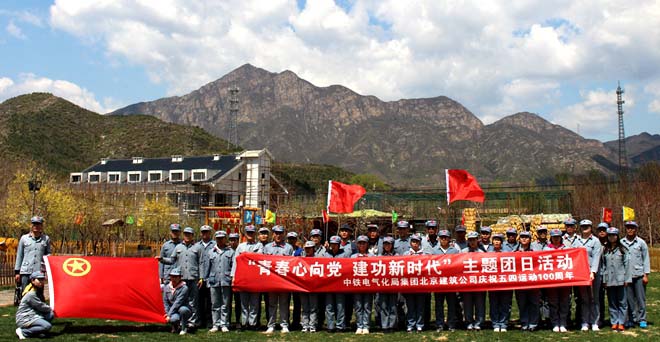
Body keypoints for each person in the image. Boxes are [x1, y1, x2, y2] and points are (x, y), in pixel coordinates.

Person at [158, 227, 204, 328]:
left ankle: (192, 322)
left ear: (192, 236)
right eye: (185, 234)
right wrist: (162, 259)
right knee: (180, 300)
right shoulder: (178, 247)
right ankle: (181, 320)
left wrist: (201, 277)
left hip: (193, 277)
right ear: (183, 235)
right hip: (181, 279)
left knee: (193, 301)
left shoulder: (197, 247)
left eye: (189, 234)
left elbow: (201, 263)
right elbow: (172, 260)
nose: (187, 236)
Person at [262, 225, 294, 334]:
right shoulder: (267, 247)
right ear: (273, 234)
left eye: (280, 233)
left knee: (284, 303)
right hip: (271, 281)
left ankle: (284, 324)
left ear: (283, 234)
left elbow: (292, 263)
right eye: (276, 233)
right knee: (272, 303)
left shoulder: (288, 247)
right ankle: (271, 325)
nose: (278, 235)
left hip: (285, 281)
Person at [232, 225, 263, 330]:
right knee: (244, 302)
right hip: (243, 278)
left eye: (252, 232)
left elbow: (259, 258)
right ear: (245, 234)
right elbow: (235, 262)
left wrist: (246, 255)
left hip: (255, 278)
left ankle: (252, 323)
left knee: (254, 302)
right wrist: (234, 277)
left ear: (255, 234)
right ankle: (244, 322)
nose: (250, 234)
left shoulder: (259, 245)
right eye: (248, 232)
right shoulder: (240, 247)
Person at [621, 221, 650, 329]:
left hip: (639, 275)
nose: (630, 230)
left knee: (640, 298)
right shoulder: (621, 242)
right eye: (628, 228)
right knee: (629, 299)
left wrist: (646, 275)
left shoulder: (641, 243)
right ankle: (632, 319)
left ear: (636, 229)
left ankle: (642, 319)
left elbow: (645, 259)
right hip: (626, 276)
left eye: (632, 228)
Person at [602, 227, 632, 332]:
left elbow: (627, 265)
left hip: (621, 279)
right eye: (609, 235)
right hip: (609, 280)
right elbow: (603, 266)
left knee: (622, 302)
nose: (611, 237)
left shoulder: (623, 249)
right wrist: (604, 280)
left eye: (614, 235)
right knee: (612, 302)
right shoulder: (604, 249)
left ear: (617, 236)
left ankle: (622, 322)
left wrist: (627, 279)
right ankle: (614, 322)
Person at [575, 219, 603, 331]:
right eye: (583, 226)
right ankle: (585, 322)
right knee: (584, 299)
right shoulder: (577, 241)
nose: (585, 228)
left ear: (591, 228)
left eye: (587, 226)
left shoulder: (596, 241)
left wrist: (593, 272)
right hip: (581, 274)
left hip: (593, 274)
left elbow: (597, 257)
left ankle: (595, 322)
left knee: (594, 299)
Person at [14, 216, 51, 295]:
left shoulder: (46, 239)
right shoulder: (24, 238)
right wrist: (17, 272)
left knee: (38, 295)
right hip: (26, 271)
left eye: (38, 224)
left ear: (41, 226)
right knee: (25, 294)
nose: (36, 226)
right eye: (34, 224)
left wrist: (47, 270)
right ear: (31, 225)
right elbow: (19, 255)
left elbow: (48, 255)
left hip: (39, 272)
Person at [206, 230, 234, 333]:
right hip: (214, 281)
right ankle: (215, 324)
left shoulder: (230, 252)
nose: (220, 240)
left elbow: (233, 267)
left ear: (225, 238)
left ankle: (224, 324)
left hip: (226, 281)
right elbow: (207, 268)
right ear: (215, 239)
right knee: (215, 304)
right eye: (218, 238)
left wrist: (232, 278)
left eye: (222, 238)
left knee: (225, 304)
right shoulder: (211, 252)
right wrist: (206, 280)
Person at [544, 229, 571, 333]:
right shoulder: (546, 249)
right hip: (552, 280)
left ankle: (563, 322)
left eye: (558, 237)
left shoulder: (567, 249)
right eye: (554, 237)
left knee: (564, 302)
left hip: (564, 280)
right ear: (551, 238)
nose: (556, 239)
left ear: (561, 237)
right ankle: (555, 323)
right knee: (553, 302)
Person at [15, 271, 53, 339]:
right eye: (39, 280)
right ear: (32, 280)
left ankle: (38, 332)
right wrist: (51, 307)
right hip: (25, 317)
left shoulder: (37, 290)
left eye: (42, 279)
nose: (41, 282)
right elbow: (40, 306)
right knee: (47, 326)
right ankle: (23, 332)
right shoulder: (31, 293)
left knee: (50, 315)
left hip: (34, 314)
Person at [434, 229, 459, 332]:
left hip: (451, 283)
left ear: (449, 239)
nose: (444, 240)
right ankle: (439, 324)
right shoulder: (434, 251)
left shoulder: (454, 251)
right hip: (438, 283)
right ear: (439, 239)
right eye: (442, 238)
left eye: (446, 238)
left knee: (451, 304)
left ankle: (451, 324)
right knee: (439, 305)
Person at [516, 231, 541, 331]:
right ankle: (524, 322)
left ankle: (533, 323)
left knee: (534, 302)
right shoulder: (515, 252)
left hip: (533, 280)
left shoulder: (535, 251)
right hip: (520, 282)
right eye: (522, 237)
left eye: (526, 237)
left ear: (530, 239)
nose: (524, 239)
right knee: (522, 303)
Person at [461, 231, 485, 330]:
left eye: (474, 240)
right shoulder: (463, 252)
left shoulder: (482, 253)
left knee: (480, 304)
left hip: (479, 283)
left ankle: (479, 323)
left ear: (477, 240)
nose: (472, 242)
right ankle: (469, 322)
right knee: (467, 305)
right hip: (466, 283)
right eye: (470, 240)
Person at [403, 234, 426, 333]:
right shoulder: (405, 254)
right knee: (410, 306)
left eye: (417, 242)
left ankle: (420, 324)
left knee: (420, 306)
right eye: (413, 241)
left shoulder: (424, 255)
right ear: (410, 243)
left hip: (420, 285)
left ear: (420, 243)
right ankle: (410, 324)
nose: (415, 243)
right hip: (409, 284)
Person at [325, 235, 348, 332]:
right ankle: (330, 326)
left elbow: (348, 268)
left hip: (340, 284)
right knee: (329, 306)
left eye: (335, 244)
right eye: (332, 244)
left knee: (340, 306)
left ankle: (340, 326)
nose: (333, 246)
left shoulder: (344, 254)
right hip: (328, 284)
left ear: (339, 245)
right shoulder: (326, 254)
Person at [489, 233, 512, 332]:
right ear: (492, 242)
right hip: (493, 283)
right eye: (495, 240)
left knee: (504, 304)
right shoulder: (488, 253)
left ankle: (503, 324)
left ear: (502, 242)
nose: (497, 242)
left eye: (499, 240)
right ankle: (495, 323)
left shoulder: (507, 252)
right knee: (494, 304)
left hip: (505, 282)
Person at [352, 235, 374, 334]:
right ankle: (359, 325)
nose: (362, 245)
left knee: (367, 306)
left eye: (364, 243)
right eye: (360, 243)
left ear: (367, 244)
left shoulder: (372, 256)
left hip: (368, 285)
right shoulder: (353, 257)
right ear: (357, 244)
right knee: (358, 306)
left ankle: (366, 325)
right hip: (356, 285)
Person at [197, 225, 216, 329]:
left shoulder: (215, 245)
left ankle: (209, 321)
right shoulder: (196, 245)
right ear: (200, 233)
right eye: (203, 232)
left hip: (210, 277)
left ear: (210, 233)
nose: (205, 234)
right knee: (199, 300)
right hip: (199, 278)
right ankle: (200, 320)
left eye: (207, 232)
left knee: (210, 301)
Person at [378, 236, 397, 333]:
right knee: (384, 306)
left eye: (389, 244)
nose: (387, 246)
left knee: (393, 306)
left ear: (392, 245)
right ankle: (384, 325)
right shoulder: (379, 257)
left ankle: (392, 325)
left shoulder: (397, 256)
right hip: (382, 285)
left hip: (393, 285)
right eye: (385, 244)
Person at [163, 268, 192, 335]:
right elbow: (165, 302)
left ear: (180, 278)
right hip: (173, 310)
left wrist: (169, 315)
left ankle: (184, 328)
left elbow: (178, 302)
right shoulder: (167, 287)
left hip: (183, 308)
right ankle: (175, 326)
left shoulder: (184, 288)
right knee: (173, 319)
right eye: (172, 276)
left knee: (183, 310)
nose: (174, 279)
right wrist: (167, 313)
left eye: (176, 277)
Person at [301, 241, 320, 333]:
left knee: (313, 307)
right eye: (306, 248)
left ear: (313, 249)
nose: (308, 250)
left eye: (310, 248)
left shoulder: (318, 259)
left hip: (314, 287)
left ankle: (312, 325)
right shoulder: (300, 259)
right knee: (305, 307)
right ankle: (305, 325)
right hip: (303, 286)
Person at [287, 231, 303, 330]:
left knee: (297, 302)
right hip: (286, 279)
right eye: (290, 239)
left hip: (297, 280)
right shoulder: (284, 249)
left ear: (296, 240)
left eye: (293, 238)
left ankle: (296, 322)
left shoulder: (300, 251)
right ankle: (286, 321)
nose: (291, 240)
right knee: (286, 301)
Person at [227, 232, 241, 327]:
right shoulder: (226, 251)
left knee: (238, 301)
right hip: (227, 279)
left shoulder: (241, 250)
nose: (232, 242)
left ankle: (238, 320)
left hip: (238, 280)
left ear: (237, 241)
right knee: (227, 302)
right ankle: (227, 320)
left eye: (234, 240)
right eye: (231, 240)